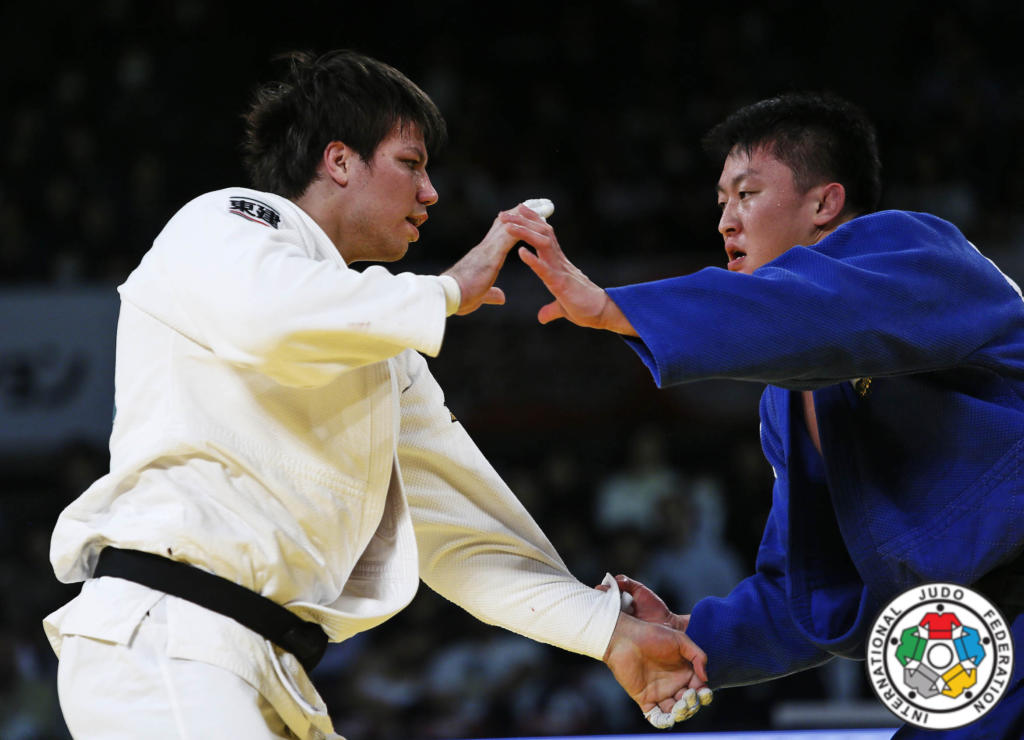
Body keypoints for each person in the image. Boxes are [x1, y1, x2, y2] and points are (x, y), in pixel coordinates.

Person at [43, 50, 709, 739]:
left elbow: (463, 531)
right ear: (338, 160)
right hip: (168, 640)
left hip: (266, 667)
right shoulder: (226, 224)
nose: (431, 194)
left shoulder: (379, 340)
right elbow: (268, 317)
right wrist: (448, 290)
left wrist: (609, 633)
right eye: (410, 163)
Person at [516, 91, 1024, 738]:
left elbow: (827, 313)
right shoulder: (789, 397)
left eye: (747, 195)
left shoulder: (920, 254)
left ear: (824, 203)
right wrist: (691, 636)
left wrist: (615, 306)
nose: (726, 222)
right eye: (720, 203)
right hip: (966, 639)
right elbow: (802, 587)